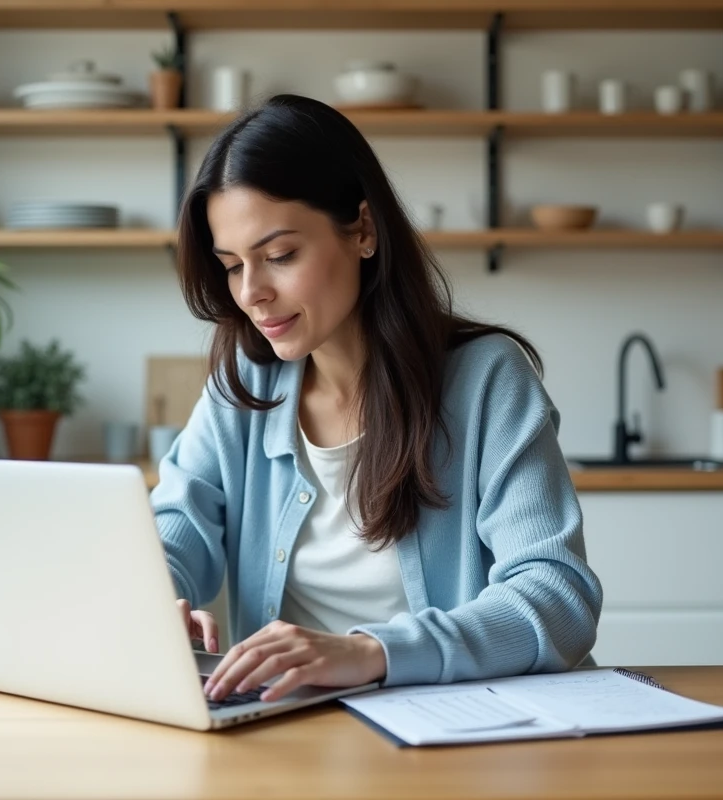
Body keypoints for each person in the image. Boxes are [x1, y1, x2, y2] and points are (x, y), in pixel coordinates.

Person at [150, 94, 602, 706]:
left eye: (280, 255)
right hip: (296, 739)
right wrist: (157, 595)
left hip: (465, 735)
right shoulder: (245, 384)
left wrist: (372, 653)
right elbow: (179, 520)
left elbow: (556, 596)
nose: (251, 293)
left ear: (363, 229)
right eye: (232, 265)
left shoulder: (486, 381)